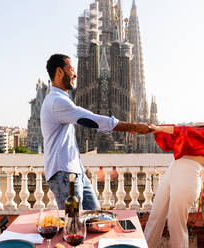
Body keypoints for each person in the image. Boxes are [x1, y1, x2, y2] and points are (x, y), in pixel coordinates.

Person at [41, 54, 152, 210]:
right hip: (64, 174)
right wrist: (132, 127)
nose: (76, 74)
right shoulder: (57, 101)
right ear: (59, 72)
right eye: (72, 69)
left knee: (93, 216)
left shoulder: (60, 99)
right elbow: (92, 120)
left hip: (75, 171)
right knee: (74, 224)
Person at [144, 94, 204, 248]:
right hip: (174, 169)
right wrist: (152, 128)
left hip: (189, 173)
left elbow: (188, 133)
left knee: (176, 224)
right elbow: (182, 132)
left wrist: (158, 128)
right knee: (155, 216)